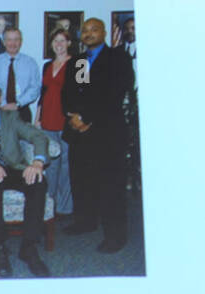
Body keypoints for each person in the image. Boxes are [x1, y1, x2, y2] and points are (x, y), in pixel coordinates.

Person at [63, 18, 134, 252]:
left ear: (104, 33)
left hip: (107, 132)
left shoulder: (117, 58)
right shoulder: (80, 61)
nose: (89, 34)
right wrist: (74, 116)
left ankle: (116, 236)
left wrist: (87, 118)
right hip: (81, 134)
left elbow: (113, 93)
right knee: (83, 181)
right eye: (85, 30)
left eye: (94, 30)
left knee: (110, 185)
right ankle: (86, 222)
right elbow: (74, 92)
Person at [0, 82, 51, 278]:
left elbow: (39, 137)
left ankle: (29, 247)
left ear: (0, 99)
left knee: (38, 182)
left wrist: (38, 163)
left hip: (14, 167)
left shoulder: (12, 118)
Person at [38, 28, 74, 216]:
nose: (59, 44)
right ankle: (49, 205)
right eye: (55, 41)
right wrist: (37, 117)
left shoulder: (80, 63)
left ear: (69, 43)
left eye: (62, 41)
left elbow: (84, 91)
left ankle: (65, 208)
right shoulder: (46, 65)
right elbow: (42, 94)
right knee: (50, 164)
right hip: (47, 119)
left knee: (67, 165)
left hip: (67, 121)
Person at [0, 27, 40, 124]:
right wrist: (3, 105)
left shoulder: (30, 63)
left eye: (16, 39)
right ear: (4, 42)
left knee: (24, 139)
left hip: (22, 110)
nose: (13, 43)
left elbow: (35, 88)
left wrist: (18, 104)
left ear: (21, 42)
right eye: (9, 40)